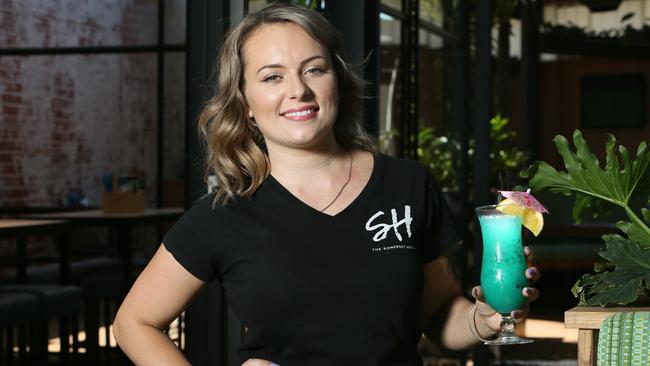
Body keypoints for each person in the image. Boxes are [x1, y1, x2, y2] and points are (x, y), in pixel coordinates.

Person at [113, 4, 540, 365]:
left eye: (313, 69)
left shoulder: (408, 186)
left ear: (337, 79)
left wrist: (481, 321)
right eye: (272, 77)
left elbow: (439, 320)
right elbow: (133, 323)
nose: (298, 90)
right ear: (244, 104)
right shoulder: (226, 214)